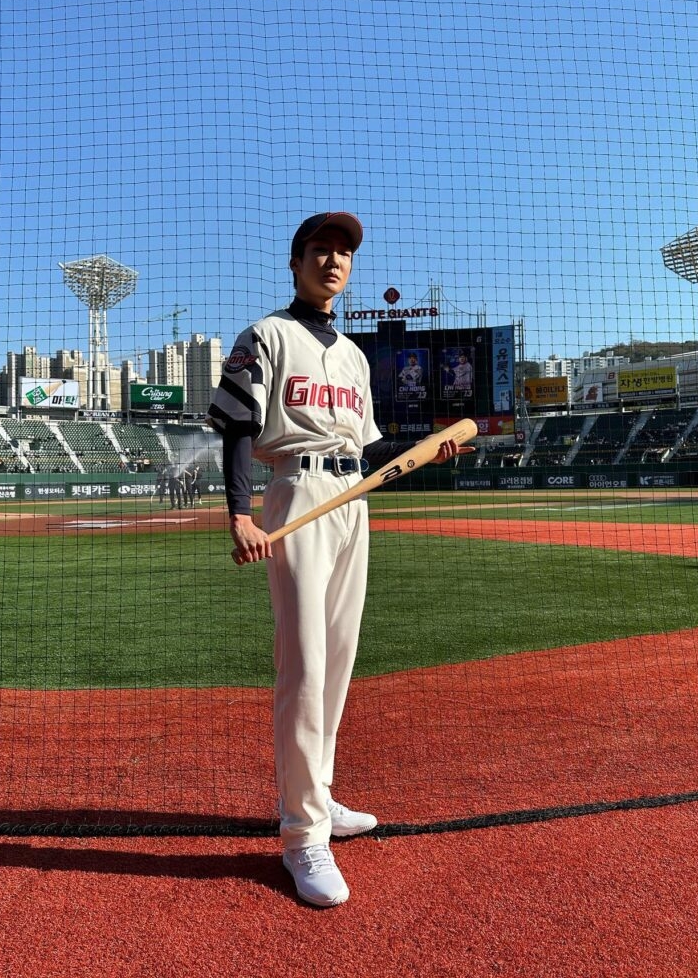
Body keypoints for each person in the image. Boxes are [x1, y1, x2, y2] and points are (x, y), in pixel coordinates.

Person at [207, 212, 469, 908]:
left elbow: (369, 450)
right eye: (320, 250)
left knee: (340, 657)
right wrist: (238, 511)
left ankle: (317, 797)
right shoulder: (265, 336)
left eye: (343, 254)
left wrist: (428, 452)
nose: (333, 261)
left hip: (353, 500)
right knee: (305, 664)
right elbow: (236, 426)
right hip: (295, 494)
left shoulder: (353, 356)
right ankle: (302, 838)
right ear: (296, 263)